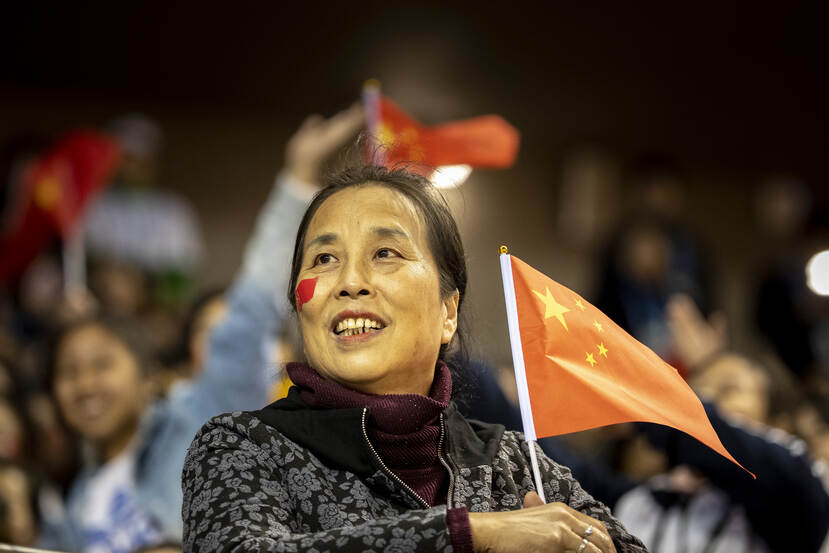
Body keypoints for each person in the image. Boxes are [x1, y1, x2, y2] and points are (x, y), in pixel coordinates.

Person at [182, 164, 647, 553]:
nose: (350, 282)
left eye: (385, 253)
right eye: (323, 259)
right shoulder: (241, 446)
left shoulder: (513, 463)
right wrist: (470, 534)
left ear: (449, 312)